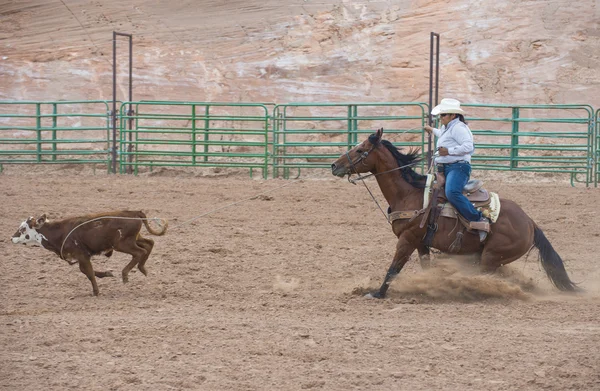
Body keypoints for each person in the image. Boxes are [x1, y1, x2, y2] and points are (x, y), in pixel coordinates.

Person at [423, 98, 490, 241]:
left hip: (458, 167)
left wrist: (448, 151)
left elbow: (469, 147)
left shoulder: (459, 128)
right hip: (446, 167)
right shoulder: (448, 127)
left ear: (453, 115)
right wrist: (431, 130)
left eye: (443, 115)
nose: (440, 118)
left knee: (452, 192)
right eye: (440, 115)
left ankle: (479, 219)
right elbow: (443, 135)